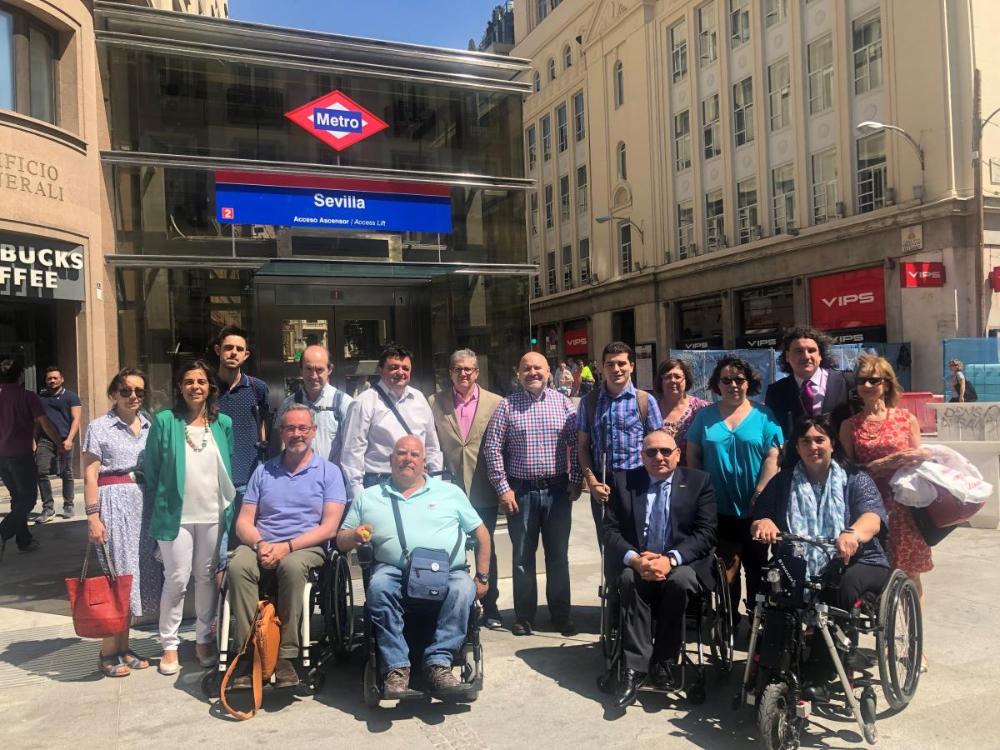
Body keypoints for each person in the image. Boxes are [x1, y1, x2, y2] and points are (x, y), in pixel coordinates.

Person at [337, 436, 490, 696]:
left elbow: (483, 534)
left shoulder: (450, 493)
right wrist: (355, 535)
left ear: (424, 463)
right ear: (391, 459)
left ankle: (438, 664)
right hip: (394, 570)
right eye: (402, 453)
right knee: (379, 585)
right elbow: (341, 540)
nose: (407, 458)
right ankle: (397, 668)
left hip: (447, 571)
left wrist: (483, 576)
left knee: (463, 588)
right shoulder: (369, 497)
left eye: (414, 454)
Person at [752, 414, 889, 700]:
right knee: (777, 586)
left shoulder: (854, 479)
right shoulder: (784, 481)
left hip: (859, 560)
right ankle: (772, 661)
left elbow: (873, 518)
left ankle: (823, 670)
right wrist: (764, 523)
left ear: (832, 444)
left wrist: (852, 533)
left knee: (840, 586)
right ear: (797, 447)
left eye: (819, 440)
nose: (813, 446)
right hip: (799, 557)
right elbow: (760, 515)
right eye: (805, 441)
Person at [227, 404, 348, 689]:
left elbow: (329, 527)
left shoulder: (329, 472)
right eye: (290, 428)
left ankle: (286, 656)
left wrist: (287, 547)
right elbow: (244, 522)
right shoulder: (263, 472)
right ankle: (249, 653)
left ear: (314, 431)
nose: (297, 434)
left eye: (303, 428)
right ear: (281, 432)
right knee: (237, 566)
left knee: (292, 568)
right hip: (263, 542)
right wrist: (260, 544)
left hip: (306, 546)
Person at [603, 430, 717, 708]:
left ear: (678, 454)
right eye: (651, 452)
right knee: (629, 579)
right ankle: (635, 668)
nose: (659, 457)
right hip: (639, 562)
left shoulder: (698, 482)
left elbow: (706, 533)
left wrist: (671, 560)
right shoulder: (623, 482)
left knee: (679, 583)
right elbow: (609, 530)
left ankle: (665, 661)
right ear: (642, 456)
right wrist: (635, 559)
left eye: (666, 451)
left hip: (681, 564)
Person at [482, 351, 583, 637]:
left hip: (557, 490)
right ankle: (525, 616)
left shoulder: (564, 404)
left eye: (538, 368)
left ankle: (561, 614)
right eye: (526, 368)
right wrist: (503, 488)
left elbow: (576, 445)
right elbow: (493, 449)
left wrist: (575, 479)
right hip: (522, 492)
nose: (532, 373)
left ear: (549, 372)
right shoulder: (506, 406)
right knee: (523, 558)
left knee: (558, 556)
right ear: (518, 373)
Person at [145, 360, 236, 676]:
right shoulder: (165, 422)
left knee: (206, 577)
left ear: (210, 386)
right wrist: (159, 507)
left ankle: (203, 638)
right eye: (188, 381)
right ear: (179, 387)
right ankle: (169, 644)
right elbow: (153, 471)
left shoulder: (222, 423)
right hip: (176, 517)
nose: (195, 386)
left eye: (201, 381)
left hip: (213, 514)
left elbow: (227, 467)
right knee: (177, 579)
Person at [839, 354, 931, 669]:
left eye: (873, 380)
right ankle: (886, 637)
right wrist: (880, 464)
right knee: (877, 576)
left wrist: (920, 456)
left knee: (910, 576)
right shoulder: (849, 425)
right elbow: (848, 472)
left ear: (886, 384)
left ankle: (915, 644)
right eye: (862, 380)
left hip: (905, 509)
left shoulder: (906, 419)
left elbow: (921, 464)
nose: (866, 385)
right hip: (869, 510)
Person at [686, 355, 783, 624]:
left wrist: (761, 491)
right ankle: (729, 618)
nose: (733, 385)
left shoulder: (764, 415)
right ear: (717, 384)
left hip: (755, 507)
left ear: (748, 383)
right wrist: (698, 493)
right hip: (716, 507)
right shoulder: (704, 416)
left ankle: (756, 618)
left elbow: (773, 455)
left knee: (756, 566)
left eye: (739, 379)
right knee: (725, 567)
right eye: (726, 380)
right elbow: (693, 454)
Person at [83, 368, 162, 677]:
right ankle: (107, 652)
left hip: (143, 505)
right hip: (112, 504)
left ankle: (124, 648)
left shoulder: (149, 425)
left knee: (133, 579)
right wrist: (93, 516)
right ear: (113, 394)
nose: (133, 397)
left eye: (139, 392)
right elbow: (90, 473)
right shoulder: (99, 427)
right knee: (116, 579)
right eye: (127, 390)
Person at [429, 349, 504, 629]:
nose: (463, 374)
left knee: (487, 548)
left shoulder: (496, 403)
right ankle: (453, 607)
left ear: (477, 373)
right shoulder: (434, 402)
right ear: (449, 372)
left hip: (483, 488)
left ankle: (491, 606)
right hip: (448, 490)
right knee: (449, 549)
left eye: (468, 369)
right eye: (458, 369)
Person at [577, 342, 662, 551]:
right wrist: (592, 482)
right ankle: (612, 585)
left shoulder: (645, 401)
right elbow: (582, 446)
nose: (616, 369)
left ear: (631, 366)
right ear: (602, 368)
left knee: (640, 545)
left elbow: (659, 446)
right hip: (603, 481)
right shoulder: (589, 402)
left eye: (621, 364)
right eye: (610, 364)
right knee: (608, 548)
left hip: (637, 481)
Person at [338, 345, 443, 498]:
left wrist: (435, 481)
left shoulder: (419, 398)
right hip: (379, 483)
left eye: (405, 368)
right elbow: (352, 453)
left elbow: (432, 446)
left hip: (418, 482)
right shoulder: (364, 402)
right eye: (394, 367)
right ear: (381, 370)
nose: (401, 372)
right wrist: (359, 495)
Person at [0, 359, 59, 555]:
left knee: (18, 497)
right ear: (20, 376)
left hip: (2, 456)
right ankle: (3, 532)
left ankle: (24, 540)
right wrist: (60, 443)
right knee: (29, 499)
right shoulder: (28, 397)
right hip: (20, 454)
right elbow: (45, 423)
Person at [214, 325, 269, 508]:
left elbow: (263, 425)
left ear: (246, 355)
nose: (233, 353)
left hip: (249, 479)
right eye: (228, 347)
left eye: (239, 349)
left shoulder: (257, 388)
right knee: (218, 537)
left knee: (245, 534)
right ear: (218, 350)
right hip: (214, 480)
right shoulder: (206, 389)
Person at [764, 326, 854, 438]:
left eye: (811, 350)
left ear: (820, 355)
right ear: (787, 356)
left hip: (838, 453)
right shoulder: (776, 391)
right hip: (795, 455)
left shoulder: (846, 382)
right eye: (799, 351)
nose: (806, 356)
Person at [272, 344, 353, 464]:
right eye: (308, 369)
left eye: (319, 370)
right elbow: (280, 446)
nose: (314, 376)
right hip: (297, 477)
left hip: (332, 479)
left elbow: (352, 449)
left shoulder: (345, 404)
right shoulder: (288, 405)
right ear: (301, 370)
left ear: (329, 369)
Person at [35, 365, 82, 523]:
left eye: (55, 378)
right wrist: (34, 441)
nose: (52, 380)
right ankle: (48, 508)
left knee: (66, 472)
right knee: (41, 471)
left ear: (62, 379)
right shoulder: (40, 398)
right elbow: (37, 422)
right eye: (49, 378)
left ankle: (68, 505)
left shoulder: (71, 397)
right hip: (45, 440)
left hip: (65, 439)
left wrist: (69, 439)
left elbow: (76, 419)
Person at [652, 357, 710, 465]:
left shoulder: (702, 408)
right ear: (661, 381)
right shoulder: (650, 408)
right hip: (658, 473)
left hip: (694, 474)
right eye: (668, 377)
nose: (673, 380)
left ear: (686, 380)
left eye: (678, 377)